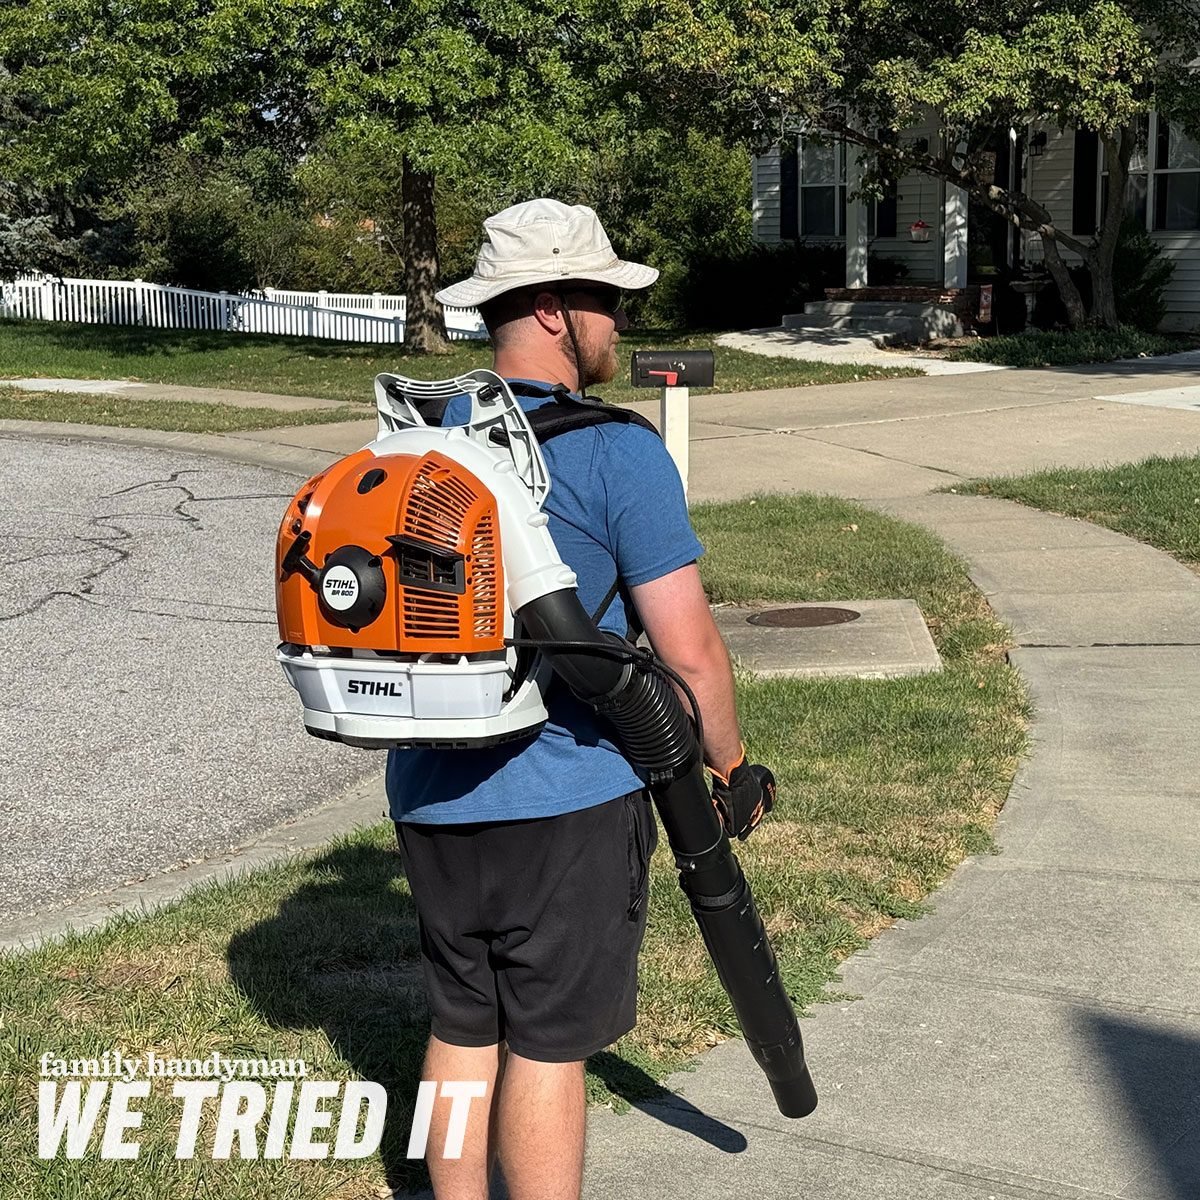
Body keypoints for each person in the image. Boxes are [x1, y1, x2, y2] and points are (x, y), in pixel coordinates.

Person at [387, 198, 759, 1200]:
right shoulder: (614, 449)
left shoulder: (428, 437)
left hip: (427, 791)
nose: (619, 326)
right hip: (563, 799)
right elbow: (693, 654)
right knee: (549, 1048)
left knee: (463, 1026)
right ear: (555, 308)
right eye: (606, 303)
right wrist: (730, 770)